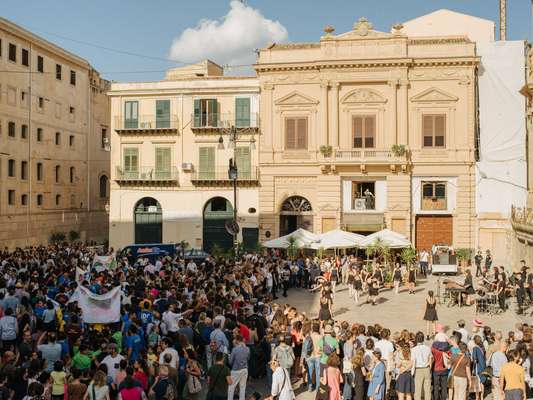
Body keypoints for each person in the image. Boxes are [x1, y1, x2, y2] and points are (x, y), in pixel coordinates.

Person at [228, 334, 250, 400]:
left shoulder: (234, 349)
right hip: (245, 369)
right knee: (242, 387)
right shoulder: (247, 349)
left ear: (237, 340)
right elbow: (248, 358)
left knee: (231, 387)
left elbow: (230, 362)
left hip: (235, 370)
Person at [411, 331, 432, 400]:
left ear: (416, 339)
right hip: (426, 369)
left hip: (418, 370)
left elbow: (413, 362)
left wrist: (412, 372)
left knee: (418, 390)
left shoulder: (413, 350)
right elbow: (430, 359)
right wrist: (429, 369)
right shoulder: (428, 348)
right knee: (427, 390)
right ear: (423, 339)